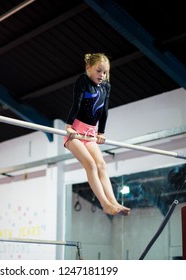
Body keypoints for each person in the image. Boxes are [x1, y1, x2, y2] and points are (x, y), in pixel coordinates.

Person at [64, 53, 130, 216]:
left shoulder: (106, 86)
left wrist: (101, 132)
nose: (102, 75)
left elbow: (104, 111)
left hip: (90, 133)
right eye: (99, 71)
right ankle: (104, 204)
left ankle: (114, 202)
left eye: (105, 72)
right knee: (91, 165)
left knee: (101, 165)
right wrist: (68, 126)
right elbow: (77, 102)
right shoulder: (83, 81)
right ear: (88, 68)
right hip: (75, 133)